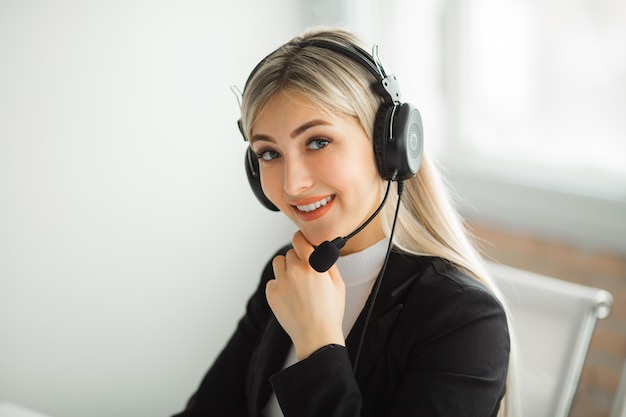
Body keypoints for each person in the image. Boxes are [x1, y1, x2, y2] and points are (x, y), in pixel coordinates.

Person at [173, 27, 518, 417]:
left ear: (388, 148)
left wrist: (316, 343)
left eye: (317, 142)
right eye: (269, 153)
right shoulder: (287, 275)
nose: (292, 183)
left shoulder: (463, 320)